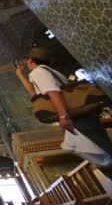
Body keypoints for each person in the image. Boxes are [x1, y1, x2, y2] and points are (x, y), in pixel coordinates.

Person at [15, 47, 112, 177]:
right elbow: (35, 93)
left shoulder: (38, 72)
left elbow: (53, 92)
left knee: (105, 158)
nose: (26, 63)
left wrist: (63, 116)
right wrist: (20, 75)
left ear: (31, 59)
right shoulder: (50, 72)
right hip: (81, 115)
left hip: (76, 118)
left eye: (27, 60)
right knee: (103, 155)